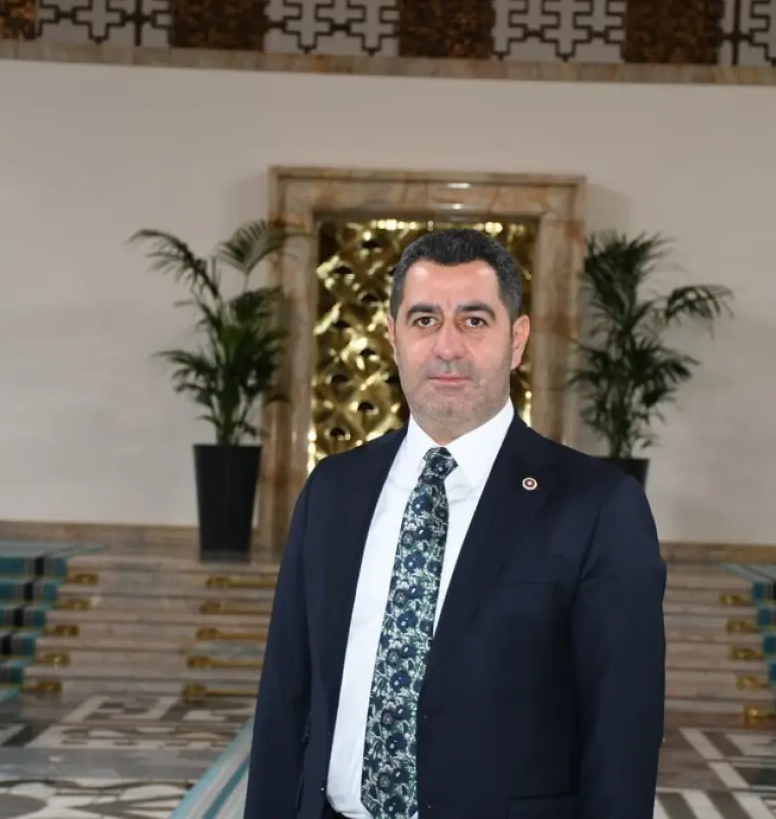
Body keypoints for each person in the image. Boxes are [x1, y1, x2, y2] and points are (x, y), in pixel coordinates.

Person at [243, 227, 667, 819]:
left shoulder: (598, 506)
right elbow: (284, 701)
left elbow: (622, 732)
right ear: (392, 338)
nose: (447, 346)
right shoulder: (333, 492)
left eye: (474, 320)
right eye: (424, 320)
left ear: (517, 340)